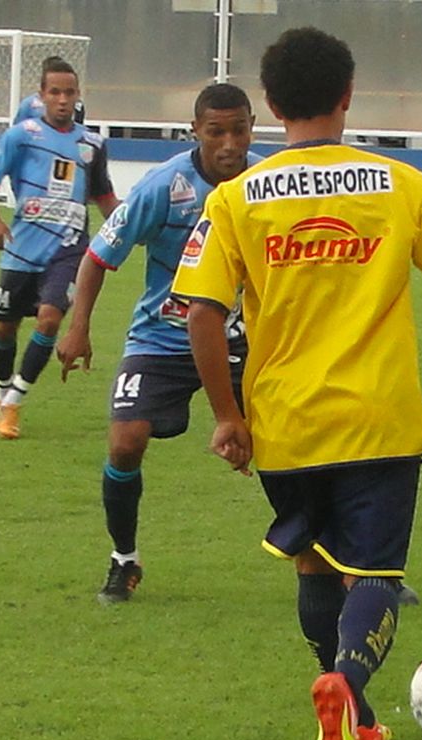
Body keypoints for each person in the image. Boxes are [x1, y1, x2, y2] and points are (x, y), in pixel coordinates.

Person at [171, 27, 422, 740]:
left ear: (272, 105)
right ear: (347, 95)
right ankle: (346, 684)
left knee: (313, 564)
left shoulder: (235, 199)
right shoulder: (401, 184)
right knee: (374, 575)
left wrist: (226, 416)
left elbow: (201, 313)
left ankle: (359, 724)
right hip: (379, 418)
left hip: (285, 423)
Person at [55, 83, 260, 603]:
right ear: (195, 131)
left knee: (299, 442)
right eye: (216, 132)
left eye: (239, 130)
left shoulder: (265, 186)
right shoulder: (163, 187)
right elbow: (98, 257)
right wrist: (78, 328)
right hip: (161, 339)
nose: (229, 144)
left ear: (252, 128)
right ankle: (124, 559)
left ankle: (349, 564)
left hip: (241, 340)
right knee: (125, 443)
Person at [0, 58, 118, 440]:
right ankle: (1, 391)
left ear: (78, 95)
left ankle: (14, 402)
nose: (62, 99)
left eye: (69, 92)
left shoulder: (92, 144)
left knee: (50, 319)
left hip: (69, 249)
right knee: (4, 328)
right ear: (42, 95)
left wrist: (133, 224)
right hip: (22, 248)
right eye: (55, 92)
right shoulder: (21, 136)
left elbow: (104, 196)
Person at [14, 56, 86, 125]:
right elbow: (19, 126)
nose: (62, 101)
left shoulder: (77, 103)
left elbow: (78, 125)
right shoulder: (29, 103)